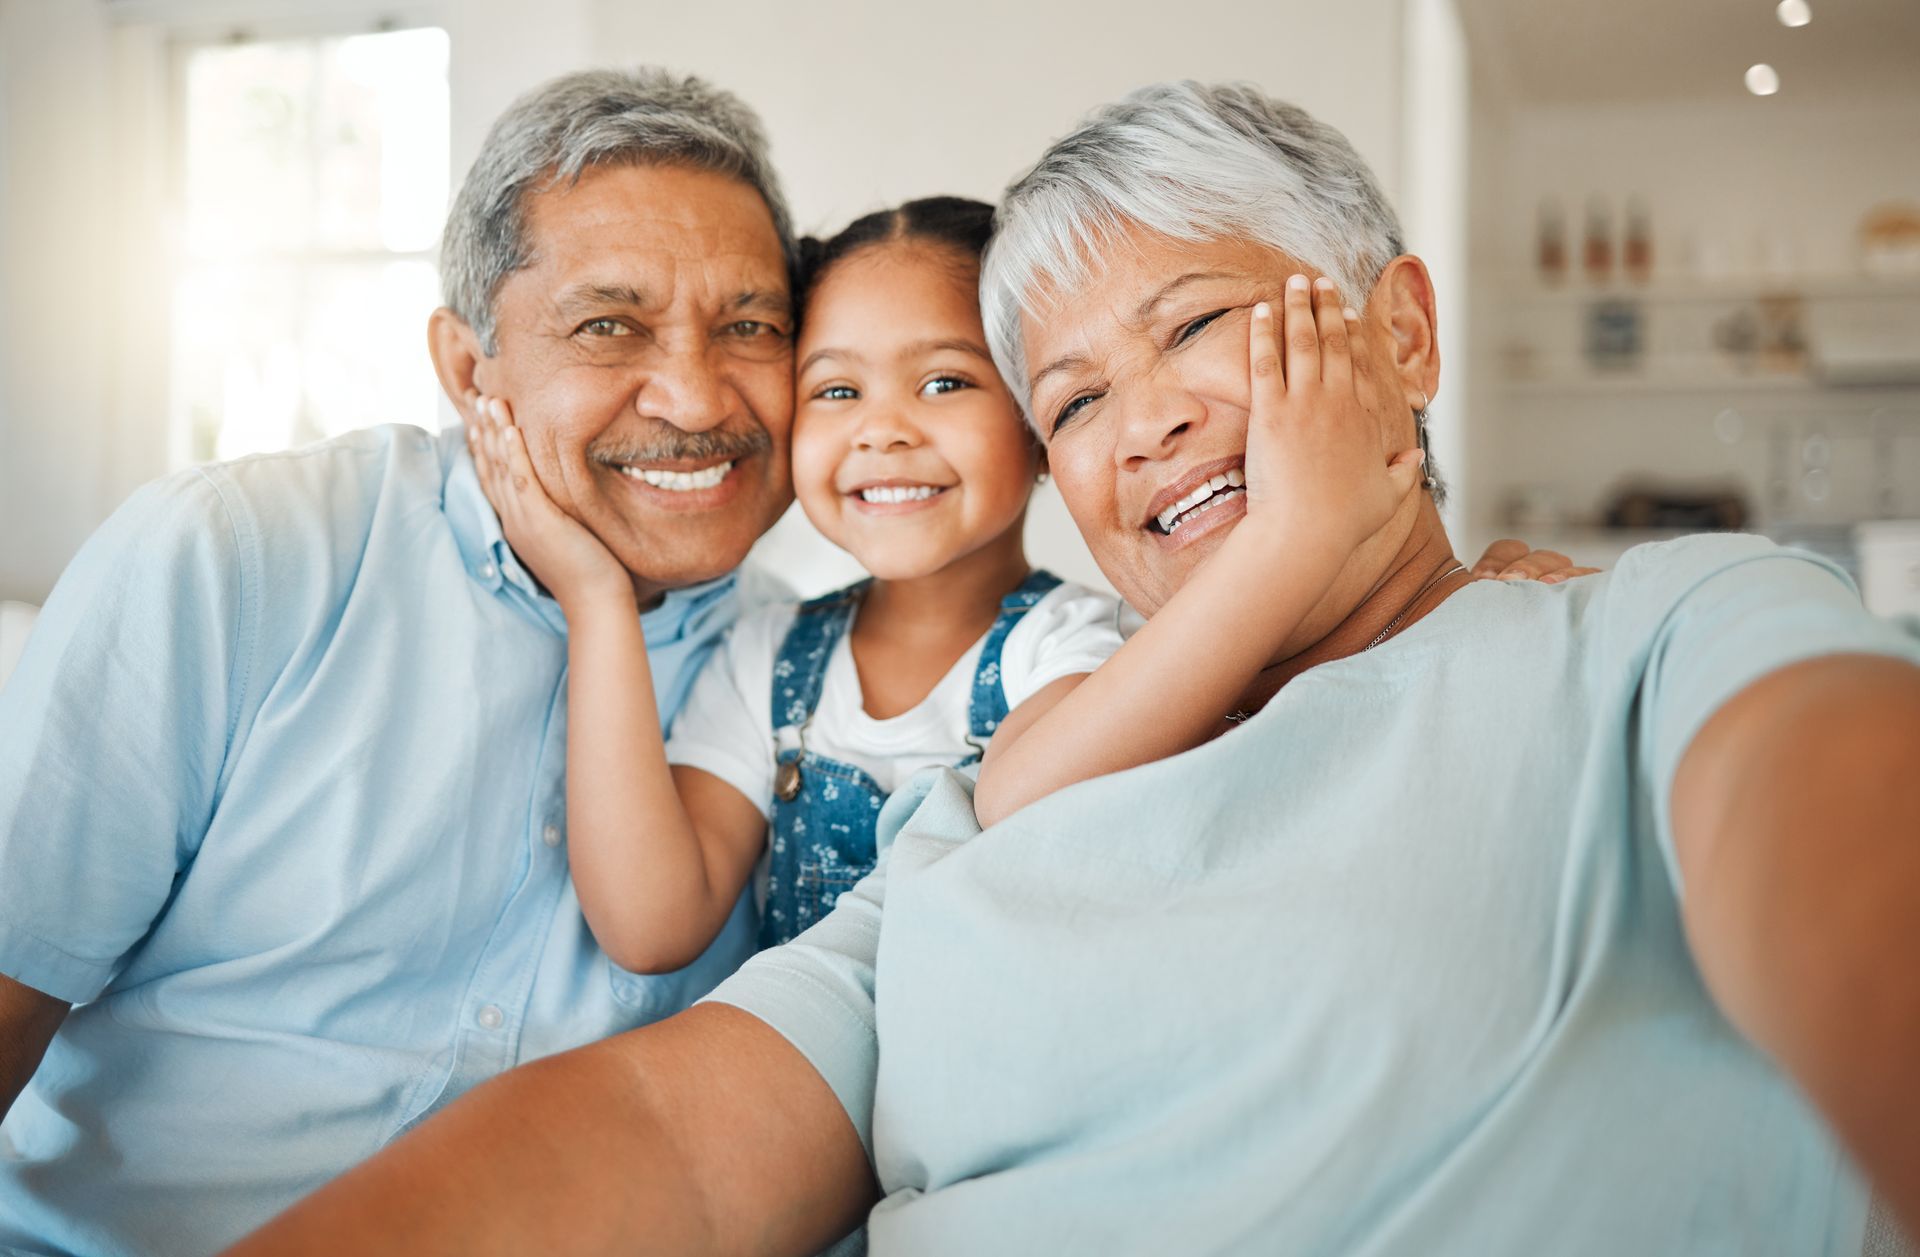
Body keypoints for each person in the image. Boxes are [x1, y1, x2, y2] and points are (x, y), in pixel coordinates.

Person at [230, 80, 1920, 1257]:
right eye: (1079, 396)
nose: (1146, 422)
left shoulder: (1655, 632)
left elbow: (1841, 834)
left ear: (1399, 333)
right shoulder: (1007, 783)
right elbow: (675, 1134)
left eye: (1193, 327)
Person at [0, 69, 803, 1255]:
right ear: (471, 367)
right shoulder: (236, 556)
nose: (694, 394)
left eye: (750, 326)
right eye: (608, 325)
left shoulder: (803, 667)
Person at [459, 194, 1439, 974]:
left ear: (1041, 425)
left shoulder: (1084, 646)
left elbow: (1033, 786)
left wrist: (1291, 535)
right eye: (837, 391)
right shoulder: (766, 662)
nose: (883, 429)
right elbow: (650, 923)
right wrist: (596, 602)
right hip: (799, 1125)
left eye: (944, 383)